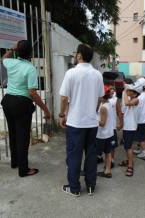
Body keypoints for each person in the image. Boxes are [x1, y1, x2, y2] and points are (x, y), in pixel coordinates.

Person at [59, 44, 104, 197]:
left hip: (75, 123)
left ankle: (74, 188)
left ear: (79, 56)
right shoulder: (97, 75)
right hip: (92, 122)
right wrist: (94, 110)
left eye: (76, 53)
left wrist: (62, 114)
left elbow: (64, 97)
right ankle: (91, 186)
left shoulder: (71, 73)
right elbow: (100, 98)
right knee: (91, 154)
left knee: (74, 155)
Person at [1, 40, 50, 177]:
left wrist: (12, 48)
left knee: (13, 134)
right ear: (31, 53)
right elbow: (32, 93)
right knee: (22, 138)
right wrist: (45, 109)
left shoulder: (11, 62)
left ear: (17, 51)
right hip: (21, 105)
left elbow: (4, 58)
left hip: (8, 102)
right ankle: (23, 170)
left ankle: (15, 162)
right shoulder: (30, 68)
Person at [119, 81, 140, 177]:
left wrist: (124, 91)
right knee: (126, 146)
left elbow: (127, 103)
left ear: (135, 93)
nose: (128, 92)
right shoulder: (131, 98)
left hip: (131, 127)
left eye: (130, 91)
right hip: (127, 126)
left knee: (129, 147)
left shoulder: (136, 99)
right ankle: (128, 161)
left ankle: (130, 165)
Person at [96, 86, 115, 179]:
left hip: (102, 135)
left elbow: (102, 123)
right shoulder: (109, 103)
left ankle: (91, 171)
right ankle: (108, 171)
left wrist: (93, 120)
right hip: (109, 133)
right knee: (108, 152)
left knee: (94, 153)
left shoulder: (103, 107)